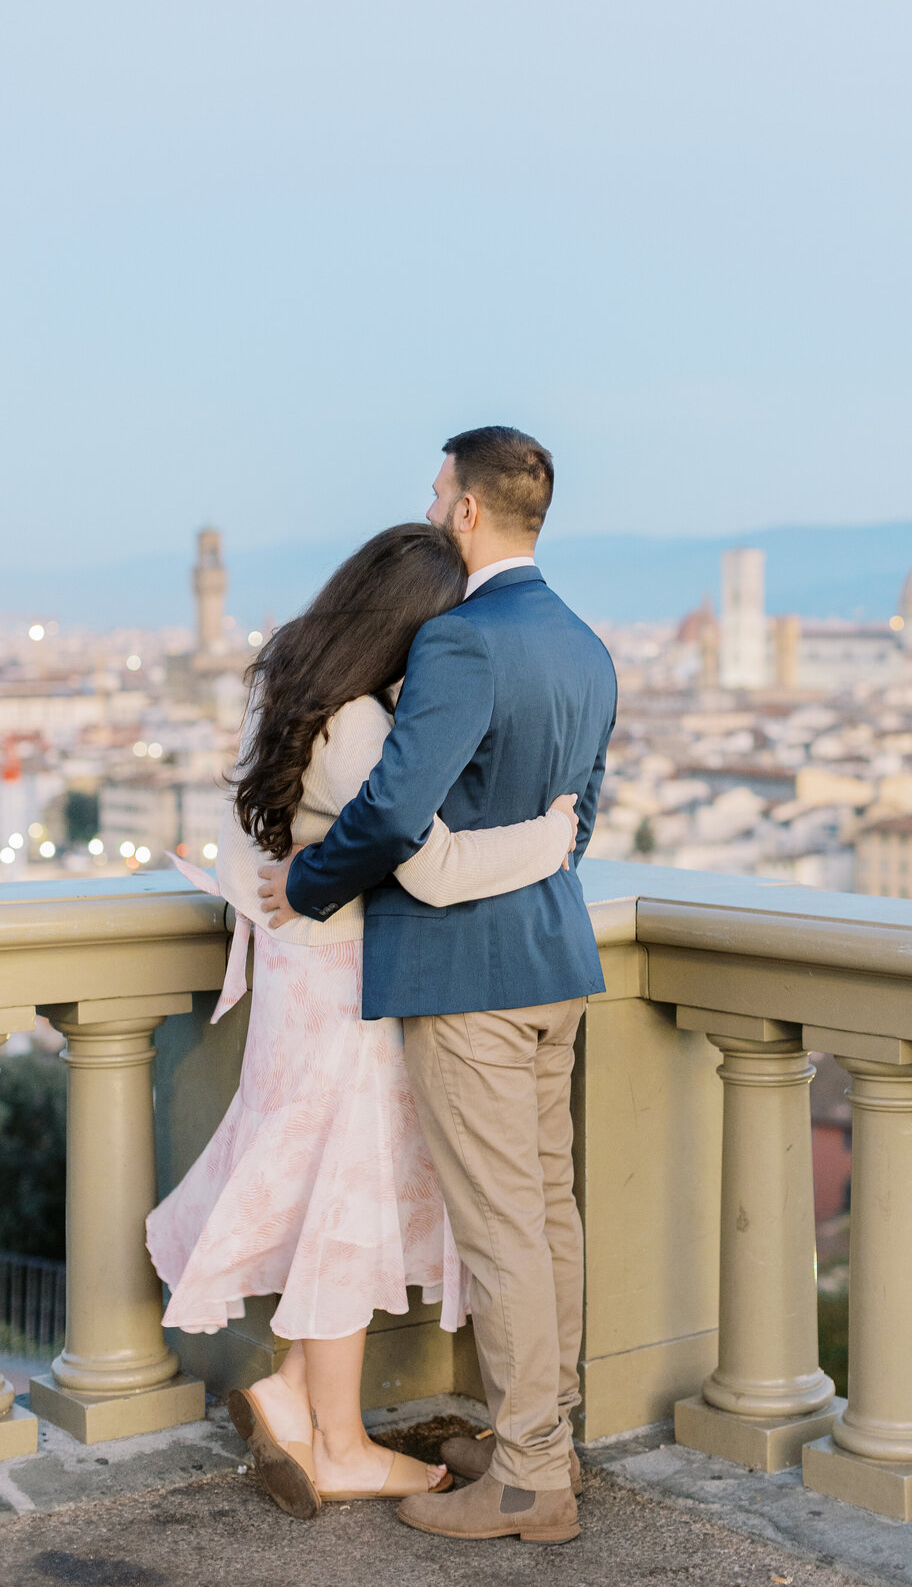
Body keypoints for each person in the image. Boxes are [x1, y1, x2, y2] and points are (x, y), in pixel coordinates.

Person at [147, 521, 579, 1521]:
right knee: (350, 1202)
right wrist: (550, 839)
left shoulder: (296, 692)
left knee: (317, 1187)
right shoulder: (367, 730)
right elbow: (430, 866)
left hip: (300, 979)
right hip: (350, 986)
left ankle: (295, 1395)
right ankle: (339, 1446)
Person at [258, 426, 617, 1546]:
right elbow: (578, 820)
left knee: (505, 1230)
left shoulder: (461, 642)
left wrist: (308, 884)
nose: (431, 499)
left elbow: (391, 812)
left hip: (468, 977)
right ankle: (539, 1436)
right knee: (549, 1217)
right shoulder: (586, 644)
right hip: (554, 960)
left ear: (466, 509)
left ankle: (527, 1482)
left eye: (436, 488)